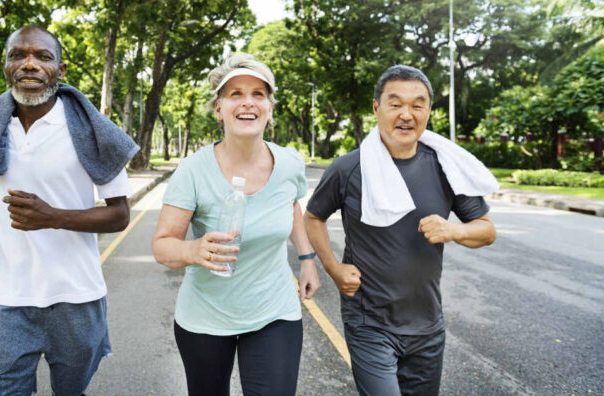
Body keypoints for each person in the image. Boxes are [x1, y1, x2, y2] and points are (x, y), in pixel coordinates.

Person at [0, 25, 139, 396]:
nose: (29, 64)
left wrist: (53, 217)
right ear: (5, 64)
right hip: (8, 295)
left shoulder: (93, 131)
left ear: (60, 69)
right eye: (18, 55)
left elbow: (120, 215)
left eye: (42, 56)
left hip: (75, 296)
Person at [304, 65, 498, 396]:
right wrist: (334, 268)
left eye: (417, 104)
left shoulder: (445, 166)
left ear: (428, 111)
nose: (406, 114)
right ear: (376, 108)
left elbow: (487, 230)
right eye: (395, 104)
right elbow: (313, 217)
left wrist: (454, 231)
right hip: (369, 322)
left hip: (427, 325)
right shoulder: (348, 168)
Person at [151, 53, 321, 396]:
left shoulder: (289, 163)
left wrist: (306, 260)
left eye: (258, 94)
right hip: (205, 317)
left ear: (269, 108)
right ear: (219, 108)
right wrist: (193, 249)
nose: (248, 102)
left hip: (275, 311)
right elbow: (162, 245)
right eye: (236, 94)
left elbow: (291, 206)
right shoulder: (193, 170)